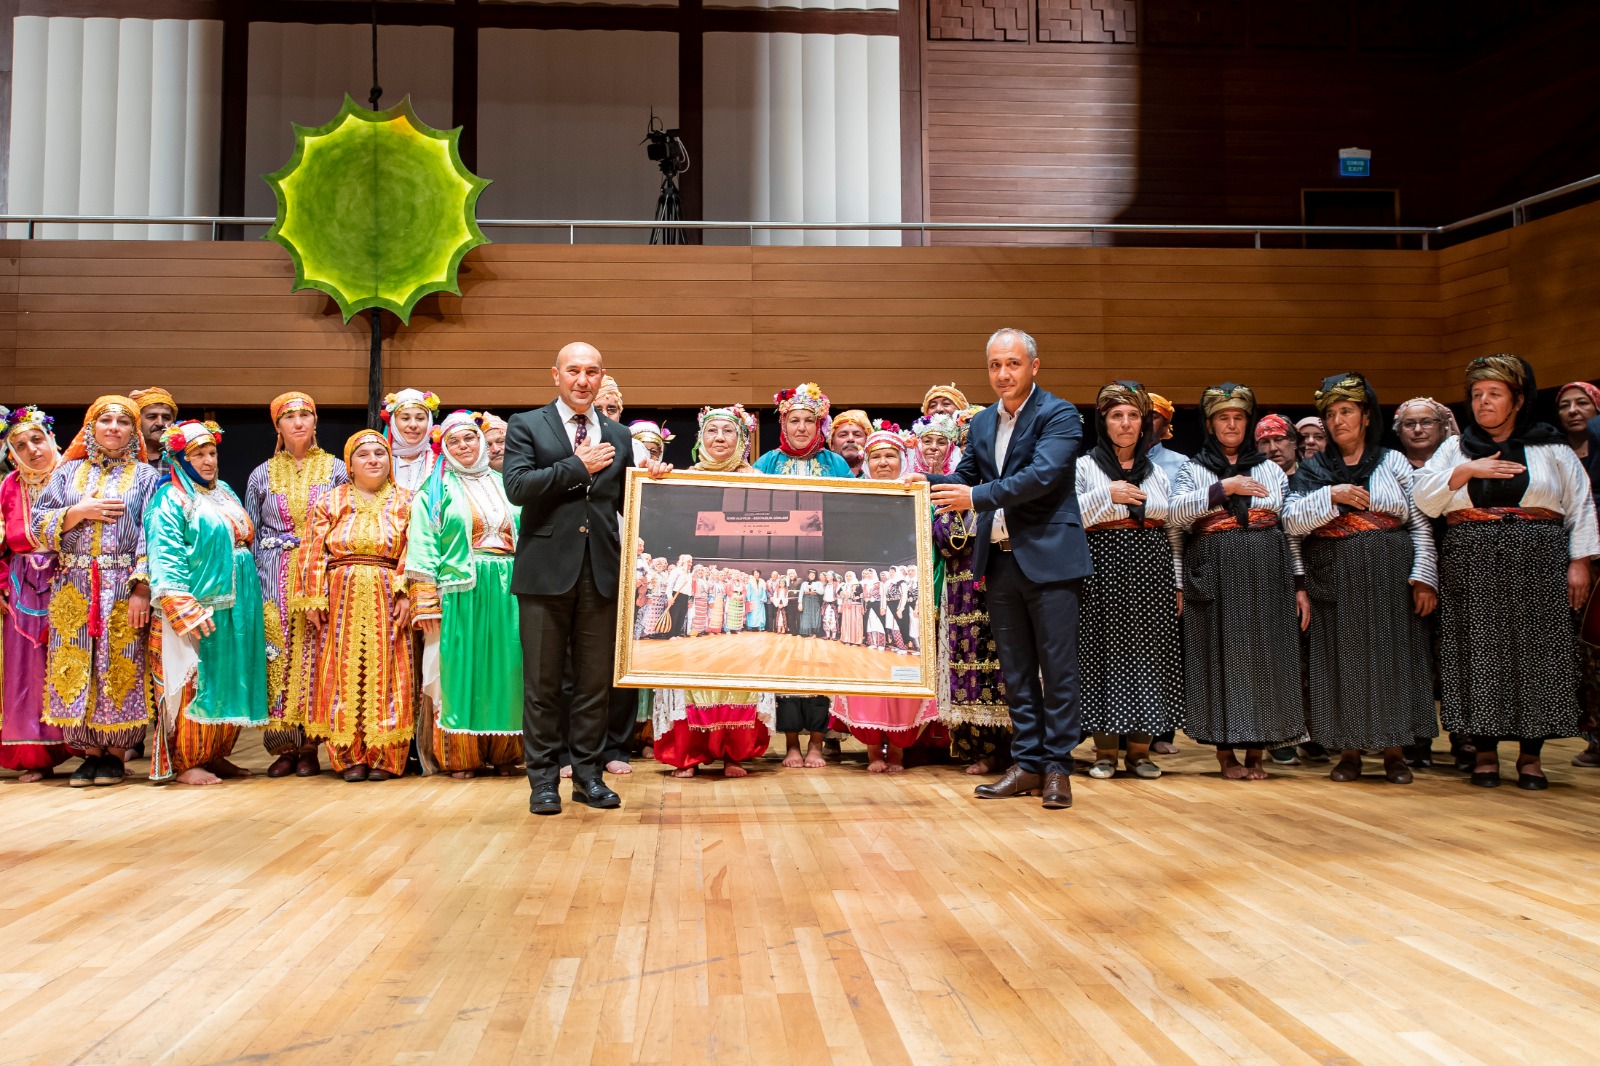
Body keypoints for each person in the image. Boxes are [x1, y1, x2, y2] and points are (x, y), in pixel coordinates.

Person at [1414, 355, 1597, 790]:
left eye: (1494, 394)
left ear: (1517, 399)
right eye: (1476, 395)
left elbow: (1581, 504)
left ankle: (1531, 758)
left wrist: (1581, 561)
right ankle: (1484, 753)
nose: (1483, 403)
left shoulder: (1551, 447)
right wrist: (1466, 471)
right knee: (1478, 654)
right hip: (1472, 558)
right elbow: (1425, 500)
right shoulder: (1455, 449)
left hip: (1540, 558)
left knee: (1539, 653)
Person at [502, 341, 670, 815]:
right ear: (555, 375)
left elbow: (632, 503)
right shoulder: (526, 425)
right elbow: (517, 488)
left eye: (591, 372)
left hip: (602, 573)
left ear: (601, 378)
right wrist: (577, 467)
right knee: (543, 684)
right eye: (573, 370)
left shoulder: (619, 435)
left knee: (596, 684)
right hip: (543, 575)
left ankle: (589, 778)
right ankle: (543, 781)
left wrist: (657, 481)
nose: (582, 380)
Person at [925, 328, 1090, 810]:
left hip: (1051, 559)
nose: (1003, 374)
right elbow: (966, 477)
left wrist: (973, 497)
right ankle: (1028, 764)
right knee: (1015, 672)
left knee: (1056, 670)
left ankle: (1058, 767)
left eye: (1013, 364)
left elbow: (1042, 476)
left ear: (1033, 367)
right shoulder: (980, 424)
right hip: (998, 562)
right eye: (995, 365)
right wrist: (920, 482)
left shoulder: (1059, 415)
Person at [1283, 373, 1439, 784]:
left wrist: (1424, 577)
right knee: (1339, 659)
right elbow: (1291, 525)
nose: (1338, 421)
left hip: (1389, 572)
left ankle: (1394, 751)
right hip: (1332, 573)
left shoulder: (1393, 462)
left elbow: (1420, 523)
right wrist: (1330, 496)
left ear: (1366, 416)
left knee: (1394, 659)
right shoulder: (1314, 470)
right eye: (1330, 414)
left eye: (1347, 411)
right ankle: (1347, 751)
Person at [1169, 383, 1310, 781]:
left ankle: (1257, 752)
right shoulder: (1194, 468)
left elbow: (1288, 528)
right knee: (1218, 658)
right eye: (1222, 418)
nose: (1231, 425)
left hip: (1267, 571)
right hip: (1214, 571)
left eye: (1238, 418)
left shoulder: (1269, 469)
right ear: (1211, 425)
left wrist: (1299, 584)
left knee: (1267, 658)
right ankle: (1225, 754)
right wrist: (1223, 489)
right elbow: (1175, 517)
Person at [32, 396, 161, 787]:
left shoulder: (145, 477)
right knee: (76, 662)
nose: (113, 427)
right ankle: (87, 752)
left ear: (132, 431)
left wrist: (141, 588)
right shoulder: (66, 473)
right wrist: (78, 512)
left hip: (123, 582)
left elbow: (153, 534)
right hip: (73, 584)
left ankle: (117, 752)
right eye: (105, 420)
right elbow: (38, 524)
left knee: (120, 661)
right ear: (90, 427)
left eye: (123, 422)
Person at [652, 404, 775, 778]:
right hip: (700, 570)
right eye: (712, 431)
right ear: (699, 439)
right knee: (691, 669)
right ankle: (688, 754)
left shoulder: (761, 482)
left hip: (738, 566)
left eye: (728, 432)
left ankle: (733, 753)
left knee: (739, 669)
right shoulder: (681, 481)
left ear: (742, 440)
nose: (719, 438)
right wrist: (658, 483)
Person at [144, 420, 270, 784]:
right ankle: (187, 760)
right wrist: (181, 605)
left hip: (238, 602)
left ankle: (215, 753)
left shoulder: (224, 491)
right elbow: (165, 555)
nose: (208, 461)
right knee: (196, 683)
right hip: (201, 603)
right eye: (197, 454)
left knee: (230, 677)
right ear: (179, 458)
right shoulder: (170, 499)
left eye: (212, 453)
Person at [1074, 382, 1184, 781]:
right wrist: (1110, 493)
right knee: (1104, 657)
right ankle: (1104, 752)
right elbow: (1072, 516)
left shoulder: (1157, 471)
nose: (1125, 423)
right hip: (1101, 571)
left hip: (1150, 573)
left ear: (1144, 424)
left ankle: (1139, 753)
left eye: (1133, 416)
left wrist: (1177, 584)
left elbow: (1172, 524)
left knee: (1148, 659)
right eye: (1117, 415)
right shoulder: (1084, 466)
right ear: (1104, 421)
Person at [406, 411, 524, 780]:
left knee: (508, 672)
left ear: (482, 442)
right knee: (460, 673)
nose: (464, 446)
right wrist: (425, 601)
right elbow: (423, 546)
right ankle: (461, 756)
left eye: (470, 439)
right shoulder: (435, 490)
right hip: (460, 590)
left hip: (508, 588)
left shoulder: (508, 484)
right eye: (455, 441)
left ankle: (506, 754)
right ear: (446, 448)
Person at [298, 430, 418, 782]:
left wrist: (406, 593)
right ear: (350, 464)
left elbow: (417, 549)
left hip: (387, 589)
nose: (373, 460)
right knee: (341, 668)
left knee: (391, 668)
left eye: (380, 454)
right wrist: (313, 598)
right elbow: (311, 551)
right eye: (364, 455)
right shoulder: (330, 502)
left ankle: (386, 754)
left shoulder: (408, 501)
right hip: (340, 592)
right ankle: (349, 755)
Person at [245, 391, 348, 778]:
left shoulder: (337, 469)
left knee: (318, 652)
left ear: (316, 422)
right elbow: (250, 532)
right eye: (290, 416)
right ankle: (283, 745)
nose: (299, 422)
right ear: (278, 426)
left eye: (306, 414)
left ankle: (312, 745)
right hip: (272, 571)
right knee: (278, 651)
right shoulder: (261, 474)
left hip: (321, 570)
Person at [753, 382, 853, 766]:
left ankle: (816, 741)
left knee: (821, 650)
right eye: (793, 420)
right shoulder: (766, 464)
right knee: (784, 651)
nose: (800, 428)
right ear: (783, 423)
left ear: (819, 425)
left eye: (808, 421)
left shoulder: (836, 464)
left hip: (823, 563)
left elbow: (848, 514)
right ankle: (791, 743)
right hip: (781, 563)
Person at [832, 427, 942, 772]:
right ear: (866, 462)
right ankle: (872, 752)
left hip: (911, 598)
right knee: (868, 675)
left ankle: (898, 749)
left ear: (903, 460)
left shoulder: (925, 499)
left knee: (905, 675)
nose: (883, 462)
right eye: (876, 456)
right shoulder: (854, 498)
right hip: (866, 597)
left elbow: (935, 552)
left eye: (890, 456)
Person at [0, 406, 73, 781]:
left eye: (36, 440)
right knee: (28, 672)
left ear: (51, 439)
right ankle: (35, 755)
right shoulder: (8, 486)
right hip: (22, 590)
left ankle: (96, 746)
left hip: (73, 581)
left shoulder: (74, 477)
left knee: (75, 659)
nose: (31, 449)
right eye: (20, 445)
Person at [1559, 382, 1600, 768]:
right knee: (1581, 652)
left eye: (1582, 403)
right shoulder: (1551, 450)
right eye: (1565, 405)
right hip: (1563, 559)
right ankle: (1594, 737)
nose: (1573, 410)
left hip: (1593, 557)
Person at [382, 388, 441, 492]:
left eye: (420, 419)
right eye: (405, 418)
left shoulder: (441, 463)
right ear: (393, 423)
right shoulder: (379, 461)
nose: (413, 425)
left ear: (429, 422)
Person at [1392, 397, 1460, 469]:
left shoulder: (1458, 463)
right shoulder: (1391, 466)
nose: (1418, 430)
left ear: (1442, 428)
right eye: (1409, 424)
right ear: (1399, 430)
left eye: (1426, 422)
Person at [129, 387, 179, 466]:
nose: (160, 423)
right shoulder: (123, 457)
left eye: (166, 418)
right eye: (152, 417)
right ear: (137, 421)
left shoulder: (183, 458)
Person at [1146, 392, 1188, 486]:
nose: (1147, 422)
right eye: (1141, 416)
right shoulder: (1119, 459)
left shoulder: (1181, 463)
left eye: (1153, 417)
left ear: (1165, 424)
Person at [828, 408, 872, 478]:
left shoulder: (876, 475)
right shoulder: (821, 472)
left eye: (857, 435)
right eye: (843, 435)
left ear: (867, 442)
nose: (850, 439)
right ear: (832, 444)